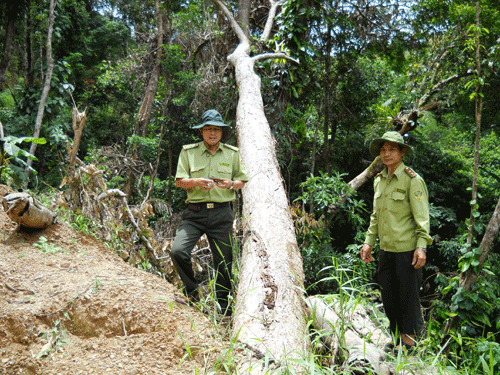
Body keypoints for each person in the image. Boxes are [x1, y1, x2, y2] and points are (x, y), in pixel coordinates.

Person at [170, 109, 248, 317]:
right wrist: (196, 182)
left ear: (222, 132)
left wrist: (231, 184)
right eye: (208, 129)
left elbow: (242, 180)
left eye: (216, 129)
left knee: (224, 262)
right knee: (178, 250)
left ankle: (224, 311)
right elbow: (179, 181)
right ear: (201, 132)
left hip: (222, 215)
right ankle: (192, 293)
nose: (212, 133)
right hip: (194, 213)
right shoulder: (189, 152)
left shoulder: (232, 153)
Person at [360, 131, 432, 353]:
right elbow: (375, 216)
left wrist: (421, 246)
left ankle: (409, 344)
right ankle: (396, 339)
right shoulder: (379, 180)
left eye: (391, 149)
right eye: (383, 150)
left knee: (408, 298)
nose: (386, 153)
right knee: (389, 296)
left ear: (402, 152)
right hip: (385, 249)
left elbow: (422, 217)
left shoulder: (412, 180)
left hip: (407, 249)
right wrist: (368, 242)